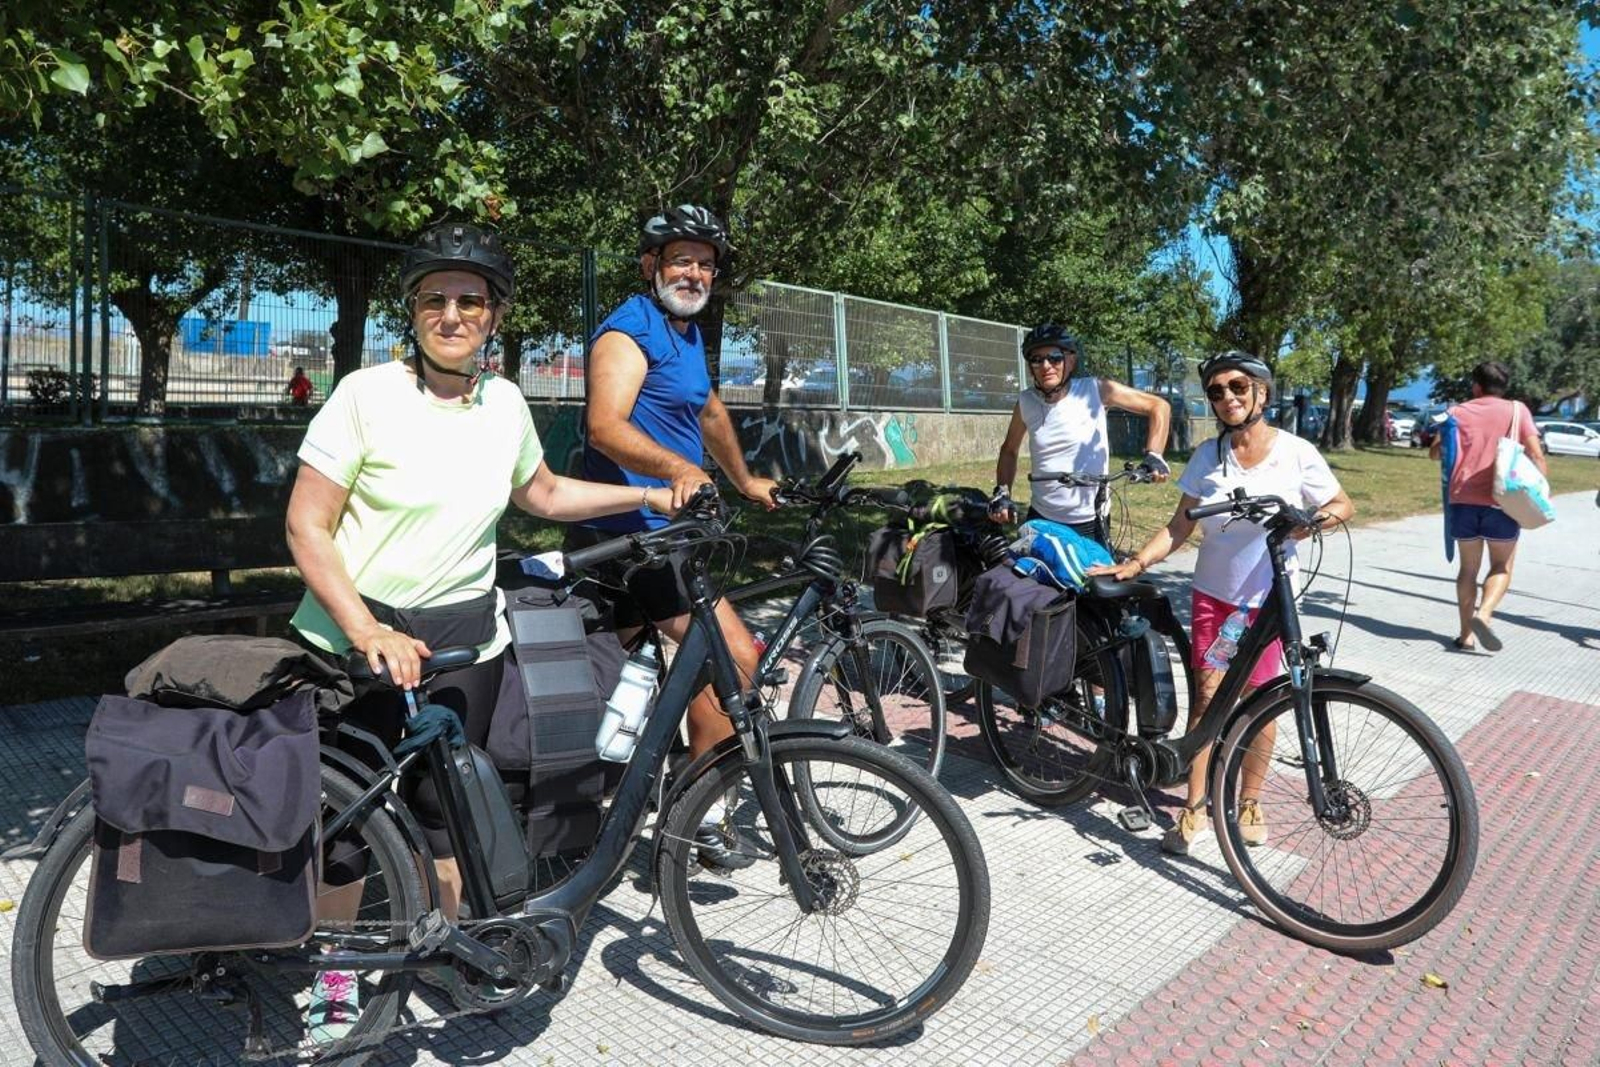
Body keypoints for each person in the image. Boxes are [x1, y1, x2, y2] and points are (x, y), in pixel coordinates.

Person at [285, 221, 673, 1041]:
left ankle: (441, 949)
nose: (453, 313)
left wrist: (653, 496)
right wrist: (364, 629)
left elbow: (543, 494)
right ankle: (336, 976)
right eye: (437, 299)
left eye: (471, 300)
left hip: (467, 641)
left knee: (446, 811)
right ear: (415, 311)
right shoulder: (365, 394)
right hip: (359, 643)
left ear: (494, 316)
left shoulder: (504, 403)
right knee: (347, 826)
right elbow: (306, 527)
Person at [569, 203, 780, 870]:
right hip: (634, 537)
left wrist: (743, 480)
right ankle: (698, 814)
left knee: (616, 677)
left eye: (705, 263)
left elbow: (709, 409)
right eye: (681, 259)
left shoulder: (684, 334)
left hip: (667, 535)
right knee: (734, 658)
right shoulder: (629, 330)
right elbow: (605, 423)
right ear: (650, 266)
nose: (694, 272)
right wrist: (678, 467)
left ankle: (649, 801)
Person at [1092, 351, 1355, 856]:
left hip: (1269, 602)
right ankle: (1194, 807)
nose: (1228, 398)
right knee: (1209, 701)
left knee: (1264, 702)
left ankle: (1249, 801)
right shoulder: (1208, 457)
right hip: (1216, 601)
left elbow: (1342, 504)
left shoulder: (1297, 452)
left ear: (1262, 392)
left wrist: (1309, 522)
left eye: (1238, 386)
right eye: (1216, 391)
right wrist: (1136, 563)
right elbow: (1180, 524)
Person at [989, 323, 1173, 544]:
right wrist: (1002, 491)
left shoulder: (1094, 390)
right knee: (1031, 576)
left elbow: (1158, 406)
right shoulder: (1026, 401)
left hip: (1090, 520)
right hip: (1042, 516)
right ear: (1030, 367)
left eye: (1055, 357)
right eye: (1037, 359)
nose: (1046, 365)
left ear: (1071, 360)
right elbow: (1009, 450)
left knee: (1093, 577)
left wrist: (1155, 455)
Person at [1427, 360, 1547, 652]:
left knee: (1468, 569)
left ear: (1476, 386)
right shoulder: (1518, 411)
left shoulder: (1456, 412)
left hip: (1462, 501)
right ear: (1504, 386)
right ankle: (1484, 613)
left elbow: (1434, 453)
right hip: (1502, 501)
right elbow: (1536, 454)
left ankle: (1465, 636)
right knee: (1501, 566)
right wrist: (1541, 491)